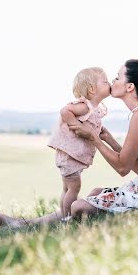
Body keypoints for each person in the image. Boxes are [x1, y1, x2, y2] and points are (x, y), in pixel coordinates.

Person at [0, 59, 138, 228]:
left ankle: (46, 224)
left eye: (117, 77)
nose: (112, 81)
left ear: (129, 87)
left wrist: (94, 138)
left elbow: (123, 168)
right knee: (95, 193)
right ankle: (26, 224)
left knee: (79, 207)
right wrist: (107, 139)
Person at [47, 67, 109, 219]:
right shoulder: (84, 106)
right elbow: (64, 111)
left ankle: (63, 215)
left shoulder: (94, 108)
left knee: (67, 189)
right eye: (106, 81)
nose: (110, 83)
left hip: (69, 156)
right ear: (92, 89)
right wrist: (76, 125)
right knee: (74, 188)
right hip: (69, 156)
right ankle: (68, 218)